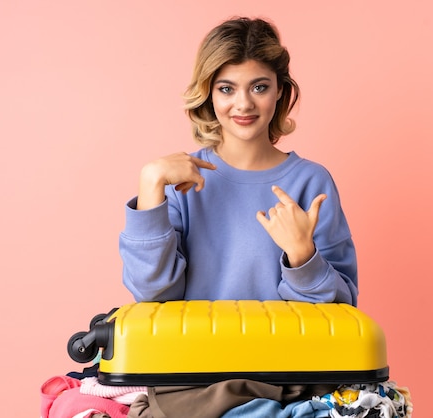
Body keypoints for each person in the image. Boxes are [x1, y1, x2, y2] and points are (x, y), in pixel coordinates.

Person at [119, 17, 358, 305]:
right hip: (194, 350)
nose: (244, 104)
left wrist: (302, 255)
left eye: (259, 87)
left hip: (285, 351)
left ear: (280, 90)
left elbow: (343, 305)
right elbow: (153, 293)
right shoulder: (179, 183)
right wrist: (150, 182)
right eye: (226, 89)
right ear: (209, 93)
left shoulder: (312, 182)